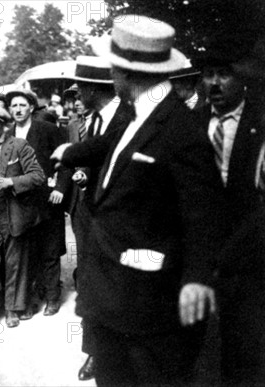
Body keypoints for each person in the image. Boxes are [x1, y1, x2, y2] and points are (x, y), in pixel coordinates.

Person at [52, 15, 226, 385]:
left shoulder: (181, 130)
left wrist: (196, 277)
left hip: (147, 305)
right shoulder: (138, 114)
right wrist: (71, 152)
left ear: (124, 71)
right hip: (110, 298)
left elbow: (205, 213)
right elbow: (113, 145)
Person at [194, 36, 265, 385]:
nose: (215, 83)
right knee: (203, 350)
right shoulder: (191, 123)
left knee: (246, 349)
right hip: (200, 257)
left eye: (224, 74)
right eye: (208, 74)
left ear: (243, 79)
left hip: (249, 258)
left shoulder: (261, 123)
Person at [63, 54, 120, 382]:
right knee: (89, 283)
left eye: (81, 87)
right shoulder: (93, 120)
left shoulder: (125, 118)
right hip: (88, 216)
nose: (77, 94)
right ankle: (93, 351)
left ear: (94, 89)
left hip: (114, 222)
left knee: (111, 288)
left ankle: (107, 352)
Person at [0, 105, 45, 328]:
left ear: (5, 125)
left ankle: (13, 308)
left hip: (14, 211)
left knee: (15, 263)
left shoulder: (19, 146)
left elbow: (38, 176)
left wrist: (10, 181)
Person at [6, 88, 66, 319]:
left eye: (22, 105)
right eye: (13, 106)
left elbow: (65, 160)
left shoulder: (48, 130)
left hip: (47, 199)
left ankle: (52, 297)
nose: (18, 110)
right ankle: (29, 300)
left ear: (31, 107)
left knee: (50, 251)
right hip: (19, 203)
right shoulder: (8, 133)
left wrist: (60, 187)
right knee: (26, 253)